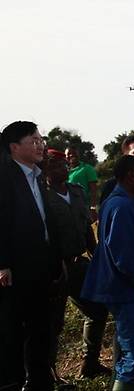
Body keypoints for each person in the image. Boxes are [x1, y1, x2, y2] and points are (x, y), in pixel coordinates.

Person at [81, 155, 134, 391]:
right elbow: (126, 257)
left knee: (132, 350)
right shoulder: (122, 206)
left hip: (124, 288)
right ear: (131, 176)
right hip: (126, 290)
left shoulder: (121, 200)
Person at [0, 121, 58, 391]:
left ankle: (38, 381)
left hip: (41, 264)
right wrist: (3, 264)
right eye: (32, 140)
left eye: (40, 139)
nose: (40, 144)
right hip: (14, 267)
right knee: (13, 329)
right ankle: (12, 381)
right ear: (14, 147)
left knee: (40, 328)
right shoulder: (4, 176)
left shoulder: (36, 175)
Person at [43, 149, 110, 380]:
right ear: (45, 170)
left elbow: (85, 228)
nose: (60, 169)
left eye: (62, 165)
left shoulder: (77, 192)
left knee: (98, 310)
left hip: (80, 263)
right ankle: (49, 373)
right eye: (53, 166)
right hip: (56, 268)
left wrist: (96, 255)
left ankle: (89, 364)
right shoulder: (42, 197)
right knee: (54, 322)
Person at [65, 147, 99, 217]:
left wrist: (93, 208)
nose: (71, 155)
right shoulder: (63, 171)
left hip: (83, 209)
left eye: (74, 153)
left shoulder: (87, 168)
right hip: (67, 210)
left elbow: (94, 191)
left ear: (78, 154)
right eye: (68, 154)